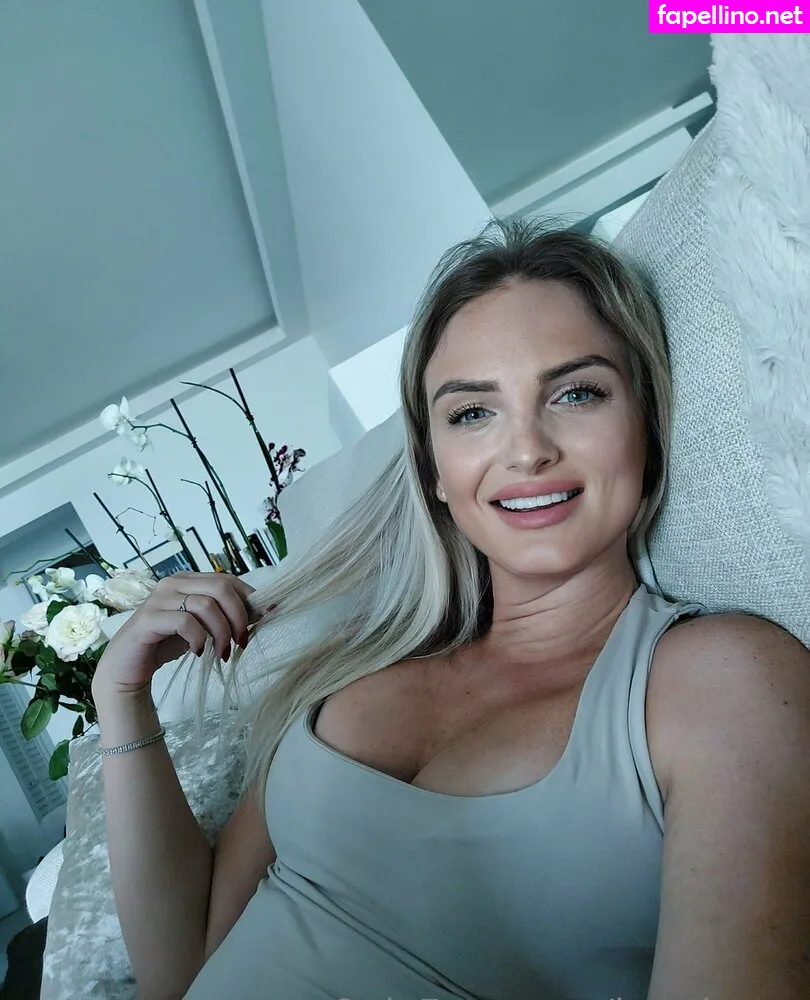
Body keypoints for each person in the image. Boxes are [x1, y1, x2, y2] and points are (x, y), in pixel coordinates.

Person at [91, 217, 810, 1000]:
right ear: (434, 468)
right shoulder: (355, 666)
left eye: (577, 393)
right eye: (472, 412)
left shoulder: (722, 679)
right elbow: (183, 970)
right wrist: (121, 695)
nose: (526, 450)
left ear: (646, 424)